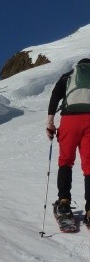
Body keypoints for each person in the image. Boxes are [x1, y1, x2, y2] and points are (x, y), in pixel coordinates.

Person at [46, 58, 90, 221]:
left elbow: (55, 95)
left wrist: (50, 122)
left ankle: (64, 201)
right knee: (89, 165)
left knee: (65, 160)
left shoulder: (69, 76)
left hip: (70, 121)